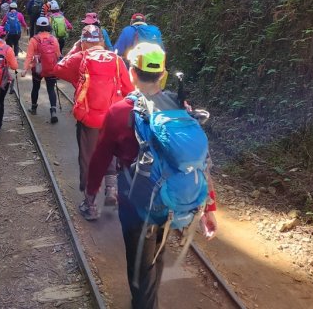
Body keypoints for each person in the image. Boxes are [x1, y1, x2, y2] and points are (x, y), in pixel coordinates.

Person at [82, 43, 217, 309]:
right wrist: (209, 206)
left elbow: (99, 157)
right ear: (162, 74)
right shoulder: (180, 109)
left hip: (136, 201)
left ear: (132, 72)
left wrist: (91, 191)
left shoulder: (120, 112)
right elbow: (200, 161)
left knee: (140, 267)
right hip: (169, 197)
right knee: (157, 251)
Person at [54, 25, 133, 196]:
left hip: (89, 119)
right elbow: (129, 89)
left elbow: (58, 69)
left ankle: (90, 203)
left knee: (88, 157)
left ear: (83, 43)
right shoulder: (116, 59)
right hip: (113, 117)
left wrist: (74, 49)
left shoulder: (80, 57)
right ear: (102, 41)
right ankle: (111, 188)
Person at [22, 16, 61, 124]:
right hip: (51, 68)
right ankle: (53, 110)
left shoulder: (34, 40)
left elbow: (29, 56)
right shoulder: (53, 39)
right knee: (51, 89)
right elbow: (58, 55)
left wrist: (25, 69)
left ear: (37, 26)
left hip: (38, 68)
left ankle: (34, 108)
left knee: (35, 87)